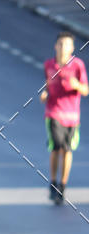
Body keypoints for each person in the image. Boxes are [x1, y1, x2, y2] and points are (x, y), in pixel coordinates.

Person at [41, 32, 88, 204]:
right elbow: (47, 86)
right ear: (56, 46)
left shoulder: (77, 66)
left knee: (67, 150)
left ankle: (62, 185)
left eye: (66, 45)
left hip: (72, 116)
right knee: (56, 147)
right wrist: (45, 95)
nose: (63, 48)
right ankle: (53, 182)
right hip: (53, 113)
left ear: (72, 48)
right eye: (60, 44)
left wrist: (76, 85)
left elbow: (85, 90)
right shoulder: (49, 65)